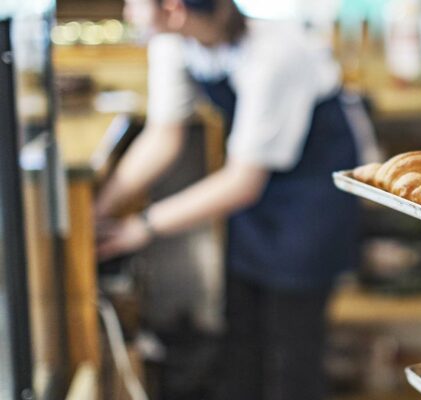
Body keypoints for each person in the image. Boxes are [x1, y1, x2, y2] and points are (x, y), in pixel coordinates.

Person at [96, 0, 367, 398]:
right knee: (243, 335)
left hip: (311, 194)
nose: (127, 13)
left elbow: (243, 181)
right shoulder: (174, 41)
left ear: (174, 8)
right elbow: (162, 136)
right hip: (256, 193)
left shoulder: (274, 54)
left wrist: (144, 227)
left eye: (136, 3)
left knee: (294, 347)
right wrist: (99, 209)